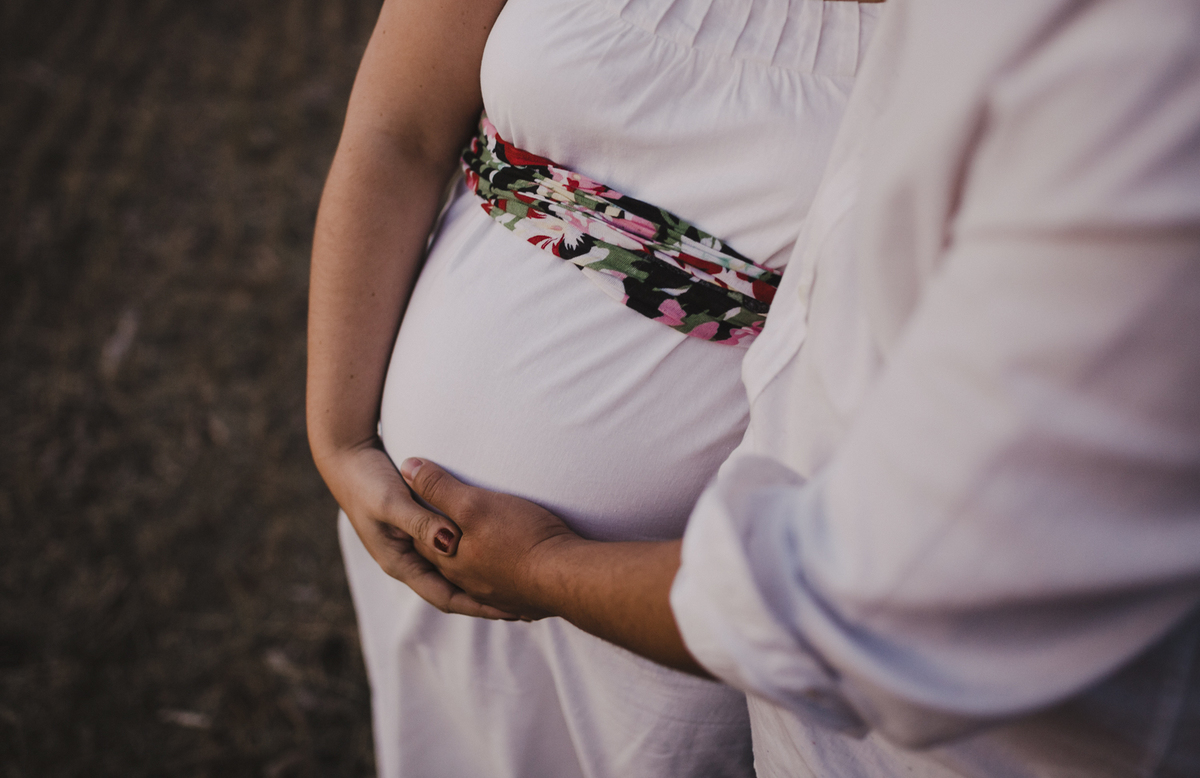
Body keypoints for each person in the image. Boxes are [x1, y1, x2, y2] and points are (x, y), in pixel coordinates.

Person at [395, 0, 1200, 775]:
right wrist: (342, 436)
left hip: (840, 690)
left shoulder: (1142, 94)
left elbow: (884, 603)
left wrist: (543, 567)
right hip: (626, 618)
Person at [306, 0, 885, 775]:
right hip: (413, 517)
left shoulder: (993, 36)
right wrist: (339, 439)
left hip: (665, 616)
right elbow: (398, 136)